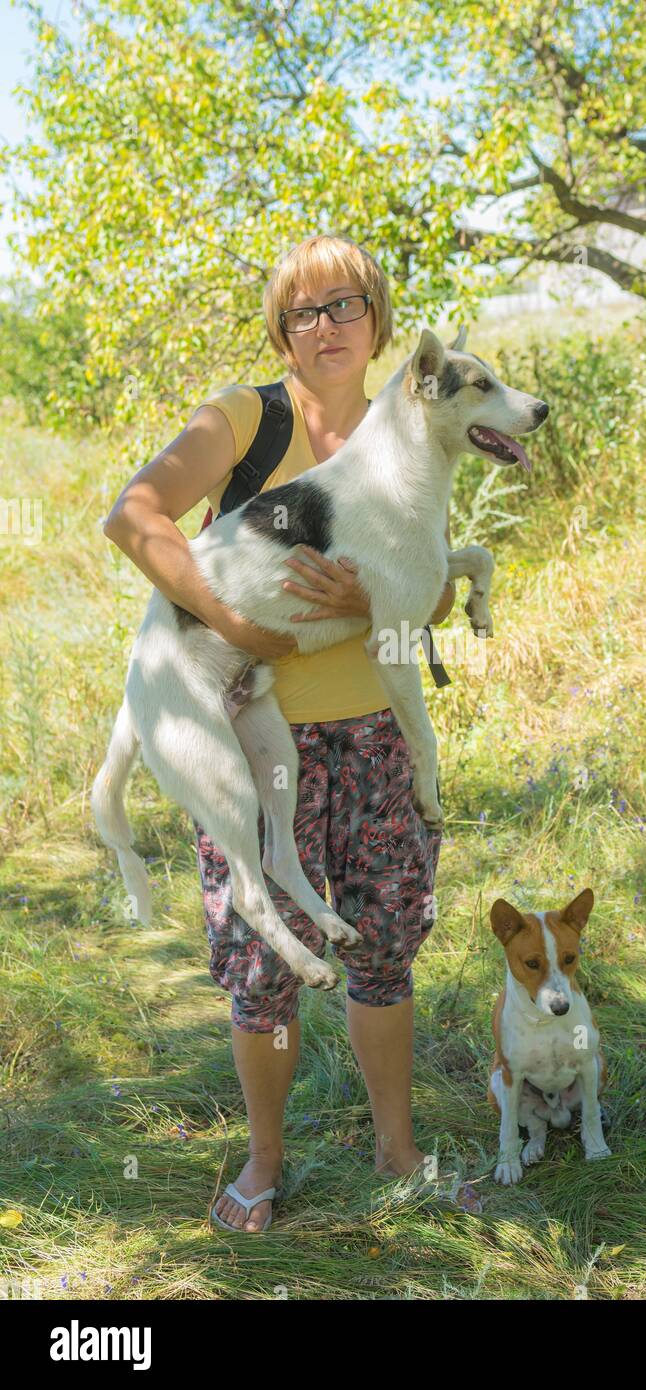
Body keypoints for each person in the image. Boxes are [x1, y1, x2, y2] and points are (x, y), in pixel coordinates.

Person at [103, 233, 455, 1231]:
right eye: (304, 311)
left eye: (347, 305)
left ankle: (397, 1151)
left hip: (378, 737)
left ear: (379, 319)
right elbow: (134, 518)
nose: (327, 326)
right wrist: (231, 625)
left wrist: (377, 599)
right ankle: (264, 1162)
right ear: (281, 331)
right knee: (265, 969)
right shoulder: (243, 419)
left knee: (386, 948)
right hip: (257, 735)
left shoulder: (417, 430)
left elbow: (414, 609)